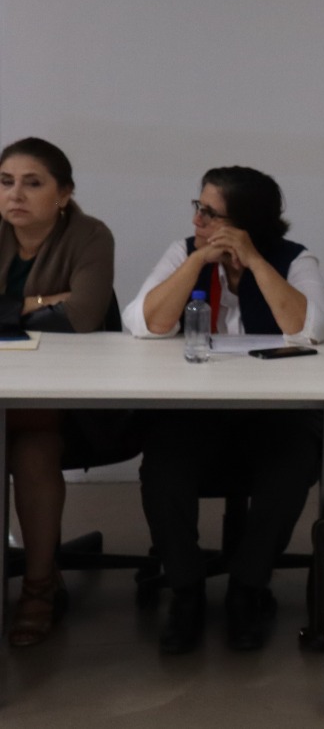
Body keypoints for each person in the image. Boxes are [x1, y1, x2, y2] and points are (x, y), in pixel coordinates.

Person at [124, 165, 324, 654]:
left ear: (246, 224)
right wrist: (197, 261)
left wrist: (255, 262)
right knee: (164, 468)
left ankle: (248, 588)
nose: (196, 220)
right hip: (196, 412)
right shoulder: (184, 251)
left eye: (210, 213)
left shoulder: (294, 260)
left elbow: (311, 328)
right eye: (197, 208)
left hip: (274, 415)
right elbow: (144, 322)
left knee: (291, 466)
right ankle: (186, 591)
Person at [0, 137, 116, 647]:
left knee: (36, 446)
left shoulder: (90, 236)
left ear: (64, 193)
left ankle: (39, 588)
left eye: (32, 183)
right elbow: (64, 307)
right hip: (12, 392)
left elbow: (84, 315)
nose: (15, 195)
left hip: (72, 400)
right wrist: (44, 301)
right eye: (6, 182)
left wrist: (11, 307)